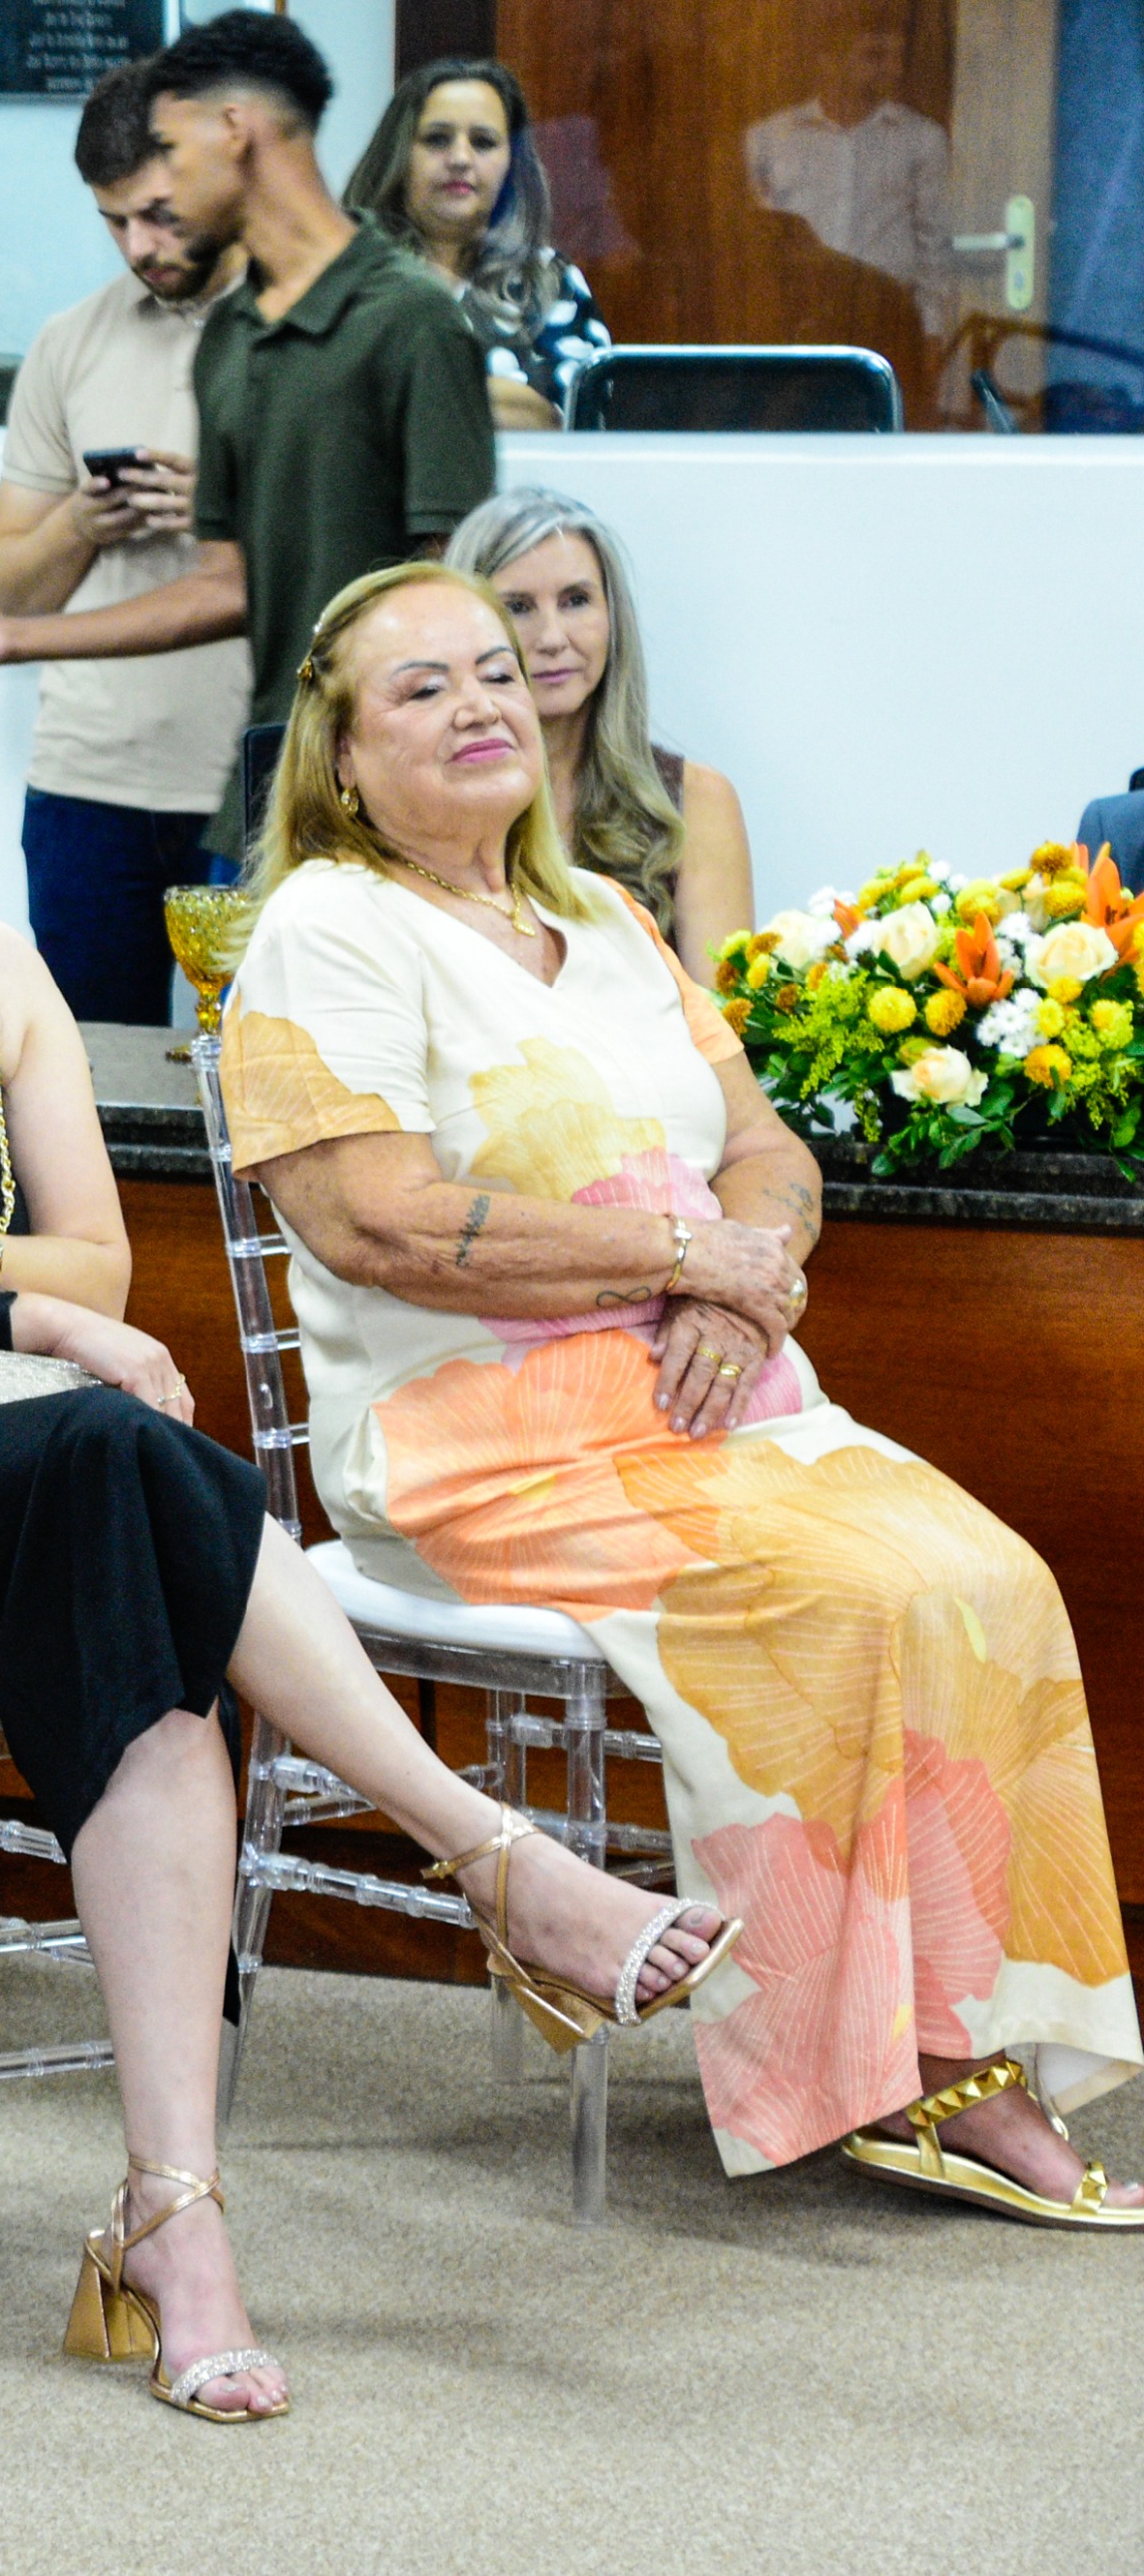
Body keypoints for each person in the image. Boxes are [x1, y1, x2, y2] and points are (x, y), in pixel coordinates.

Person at [0, 565, 741, 2421]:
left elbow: (83, 1262)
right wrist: (18, 1304)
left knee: (132, 1584)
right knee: (121, 1462)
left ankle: (178, 2215)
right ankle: (483, 1852)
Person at [224, 562, 1139, 2214]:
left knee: (991, 1578)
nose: (481, 702)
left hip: (725, 1395)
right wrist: (676, 1258)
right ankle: (903, 2072)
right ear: (339, 756)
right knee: (853, 1594)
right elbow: (376, 1222)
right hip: (481, 1437)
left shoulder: (604, 917)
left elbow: (765, 1153)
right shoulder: (326, 928)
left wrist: (744, 1265)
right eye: (421, 687)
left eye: (493, 670)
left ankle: (942, 2036)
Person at [0, 12, 496, 861]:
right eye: (117, 218)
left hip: (371, 792)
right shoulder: (223, 339)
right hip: (231, 788)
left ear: (233, 132)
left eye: (169, 157)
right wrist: (19, 629)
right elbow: (221, 590)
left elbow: (456, 598)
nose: (146, 231)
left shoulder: (408, 319)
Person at [0, 66, 255, 1024]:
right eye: (113, 221)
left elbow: (376, 570)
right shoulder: (69, 343)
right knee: (85, 1077)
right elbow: (11, 591)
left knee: (271, 1075)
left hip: (262, 777)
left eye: (160, 215)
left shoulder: (313, 333)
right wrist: (80, 523)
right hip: (87, 783)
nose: (139, 245)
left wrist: (222, 509)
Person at [445, 487, 751, 979]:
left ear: (612, 615)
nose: (553, 638)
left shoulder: (695, 800)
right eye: (518, 607)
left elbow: (722, 1016)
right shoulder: (425, 803)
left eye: (576, 601)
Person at [340, 58, 610, 431]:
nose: (460, 159)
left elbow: (565, 419)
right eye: (437, 139)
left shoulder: (547, 280)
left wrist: (396, 391)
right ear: (398, 155)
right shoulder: (346, 272)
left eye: (483, 142)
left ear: (513, 164)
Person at [747, 18, 958, 343]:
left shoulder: (921, 139)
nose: (893, 69)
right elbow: (759, 241)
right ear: (829, 61)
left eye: (897, 57)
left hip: (884, 320)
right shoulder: (769, 138)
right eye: (875, 56)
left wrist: (930, 332)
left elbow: (935, 247)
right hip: (792, 321)